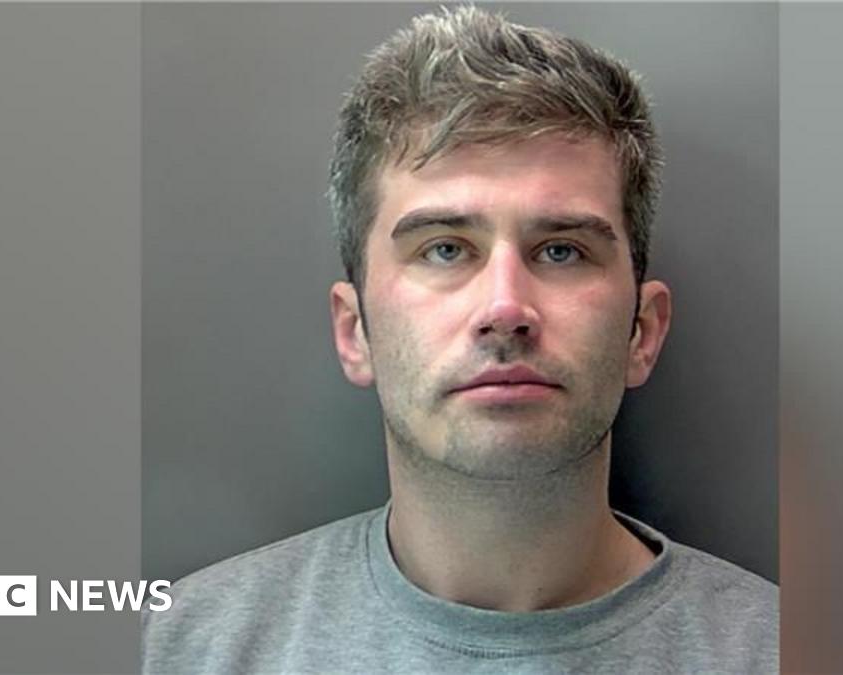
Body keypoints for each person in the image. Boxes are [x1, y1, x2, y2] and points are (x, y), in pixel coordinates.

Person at [142, 7, 778, 673]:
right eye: (445, 248)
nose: (505, 306)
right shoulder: (182, 647)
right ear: (354, 330)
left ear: (642, 332)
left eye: (561, 250)